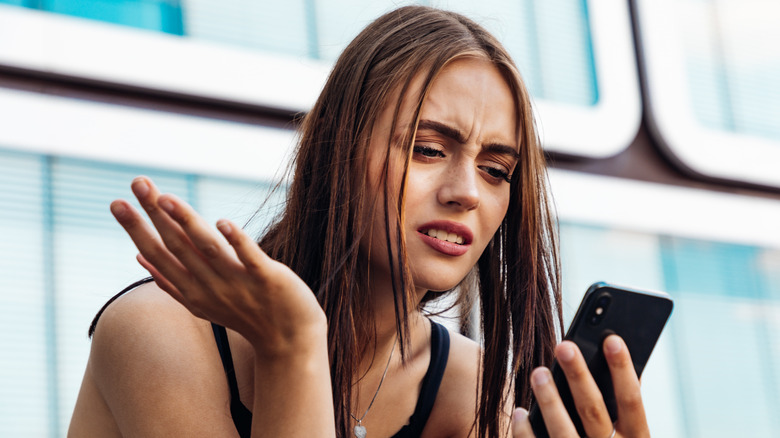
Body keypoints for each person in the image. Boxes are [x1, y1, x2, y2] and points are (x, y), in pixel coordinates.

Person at [68, 5, 650, 438]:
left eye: (497, 170)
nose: (466, 192)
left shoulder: (470, 393)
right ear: (336, 152)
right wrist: (292, 344)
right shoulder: (159, 332)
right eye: (426, 149)